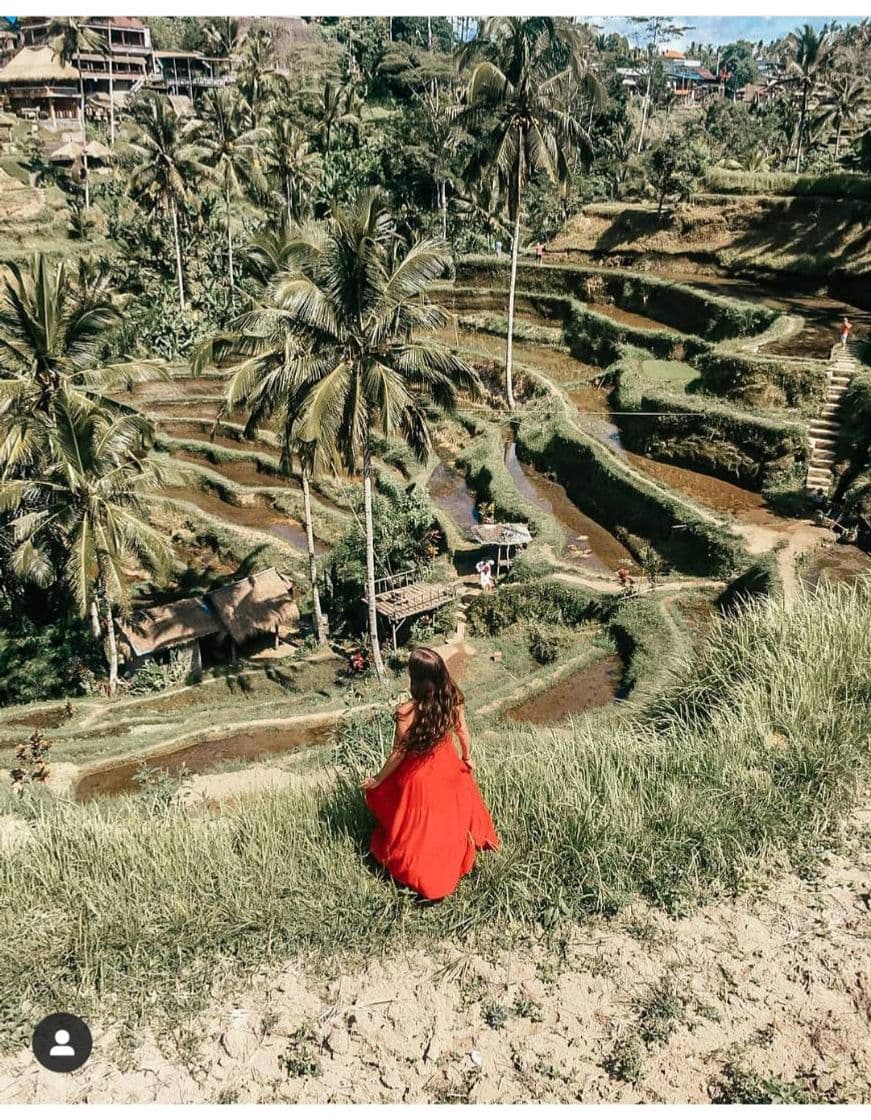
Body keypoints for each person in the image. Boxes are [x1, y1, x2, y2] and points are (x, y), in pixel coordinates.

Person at [363, 648, 499, 900]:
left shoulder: (406, 712)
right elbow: (463, 734)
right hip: (447, 768)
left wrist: (378, 779)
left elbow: (398, 754)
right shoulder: (451, 699)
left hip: (418, 778)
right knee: (452, 807)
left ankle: (423, 869)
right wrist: (467, 758)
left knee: (412, 820)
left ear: (415, 678)